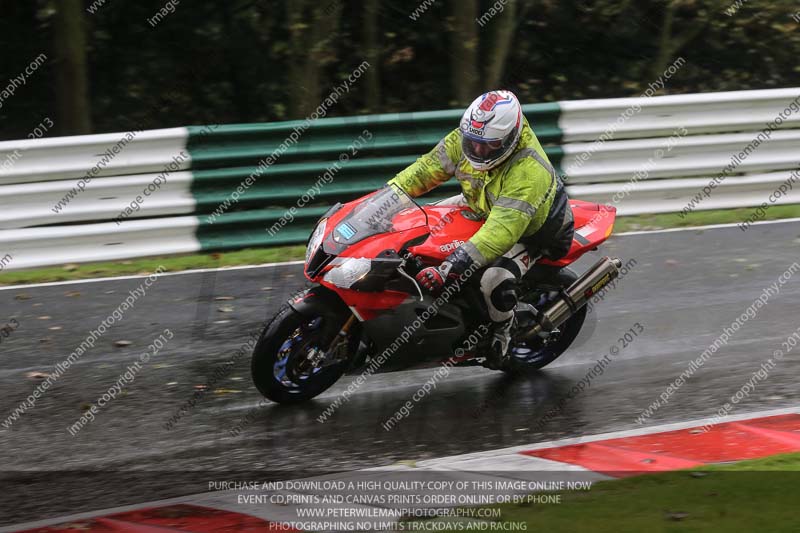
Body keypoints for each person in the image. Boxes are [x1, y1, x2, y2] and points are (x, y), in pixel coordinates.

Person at [387, 89, 574, 367]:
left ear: (510, 138)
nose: (477, 150)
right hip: (484, 204)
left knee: (493, 279)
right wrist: (387, 199)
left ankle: (503, 332)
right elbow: (424, 170)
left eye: (488, 145)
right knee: (420, 220)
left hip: (534, 231)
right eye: (473, 142)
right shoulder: (469, 138)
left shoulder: (528, 171)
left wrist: (449, 267)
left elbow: (501, 232)